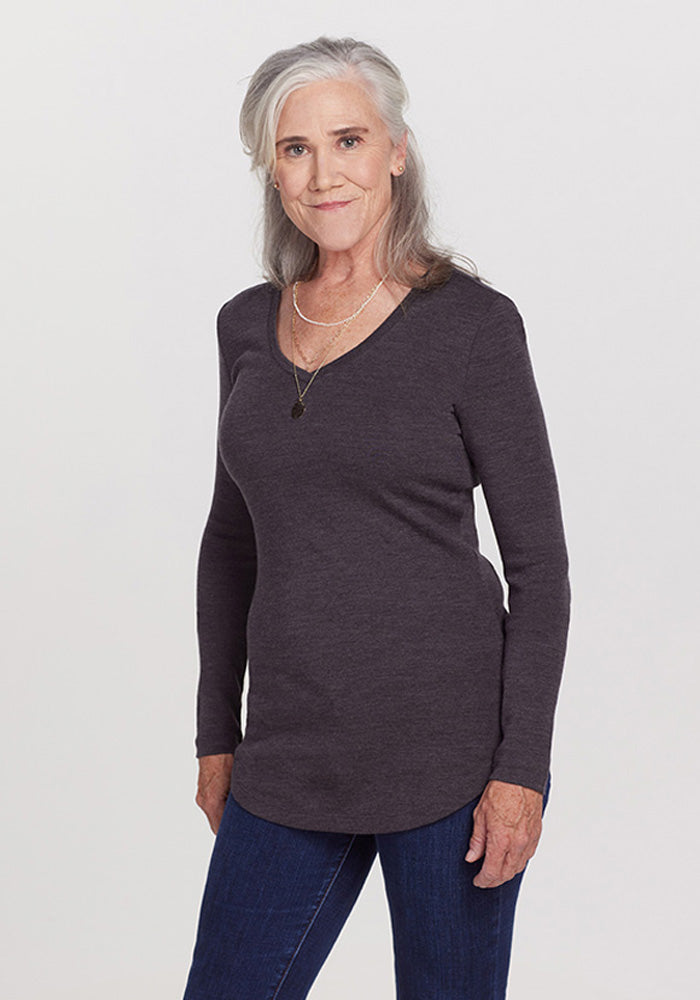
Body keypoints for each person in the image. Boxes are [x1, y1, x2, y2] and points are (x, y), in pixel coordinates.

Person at [182, 34, 571, 1000]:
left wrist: (521, 771)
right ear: (272, 170)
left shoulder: (473, 327)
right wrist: (214, 732)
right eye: (296, 148)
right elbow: (230, 544)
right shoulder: (244, 325)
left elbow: (540, 566)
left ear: (396, 151)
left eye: (348, 141)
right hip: (287, 755)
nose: (325, 175)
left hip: (452, 764)